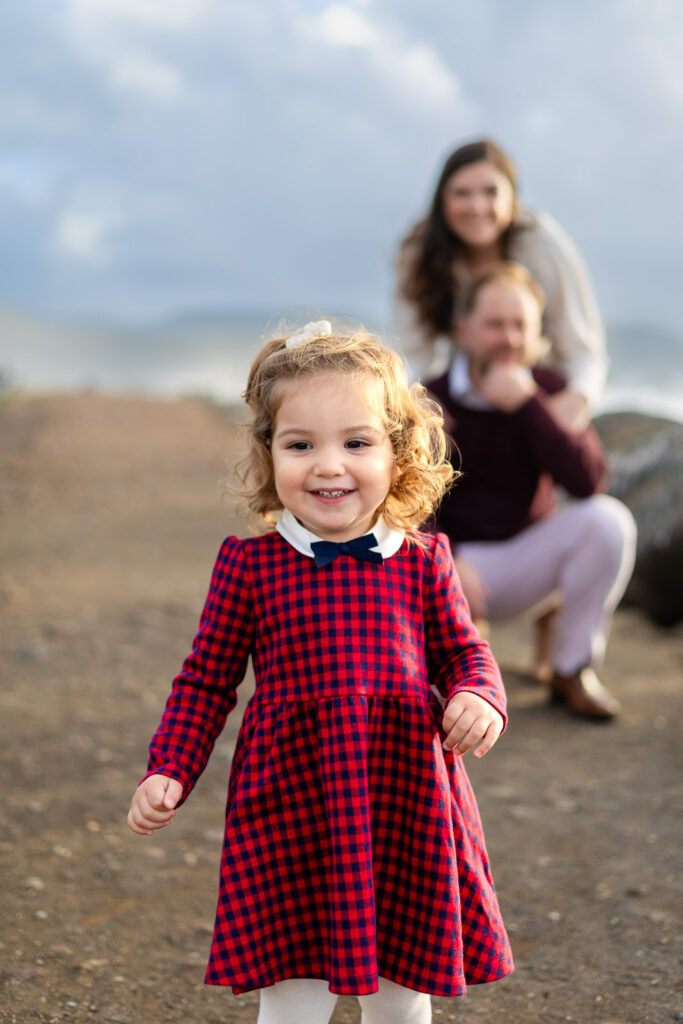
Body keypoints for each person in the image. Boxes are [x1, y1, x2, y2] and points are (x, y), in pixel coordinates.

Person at [127, 320, 514, 1024]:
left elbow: (465, 650)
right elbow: (206, 682)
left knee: (402, 993)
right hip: (290, 807)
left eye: (356, 443)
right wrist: (170, 768)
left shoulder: (422, 560)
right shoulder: (249, 566)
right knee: (293, 994)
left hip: (406, 802)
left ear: (398, 454)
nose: (328, 466)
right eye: (300, 444)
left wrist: (478, 695)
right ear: (267, 452)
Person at [426, 263, 636, 720]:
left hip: (525, 560)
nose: (509, 338)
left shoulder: (546, 390)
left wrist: (527, 407)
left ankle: (572, 668)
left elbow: (587, 482)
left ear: (537, 332)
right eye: (495, 324)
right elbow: (405, 499)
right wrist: (448, 556)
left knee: (609, 520)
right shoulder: (431, 398)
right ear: (465, 330)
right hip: (452, 567)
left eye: (520, 325)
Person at [395, 138, 608, 432]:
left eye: (490, 192)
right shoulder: (419, 252)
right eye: (462, 193)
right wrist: (416, 406)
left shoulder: (543, 246)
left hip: (538, 391)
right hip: (462, 401)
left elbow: (581, 349)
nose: (477, 206)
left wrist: (576, 401)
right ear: (441, 200)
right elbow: (413, 353)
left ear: (513, 199)